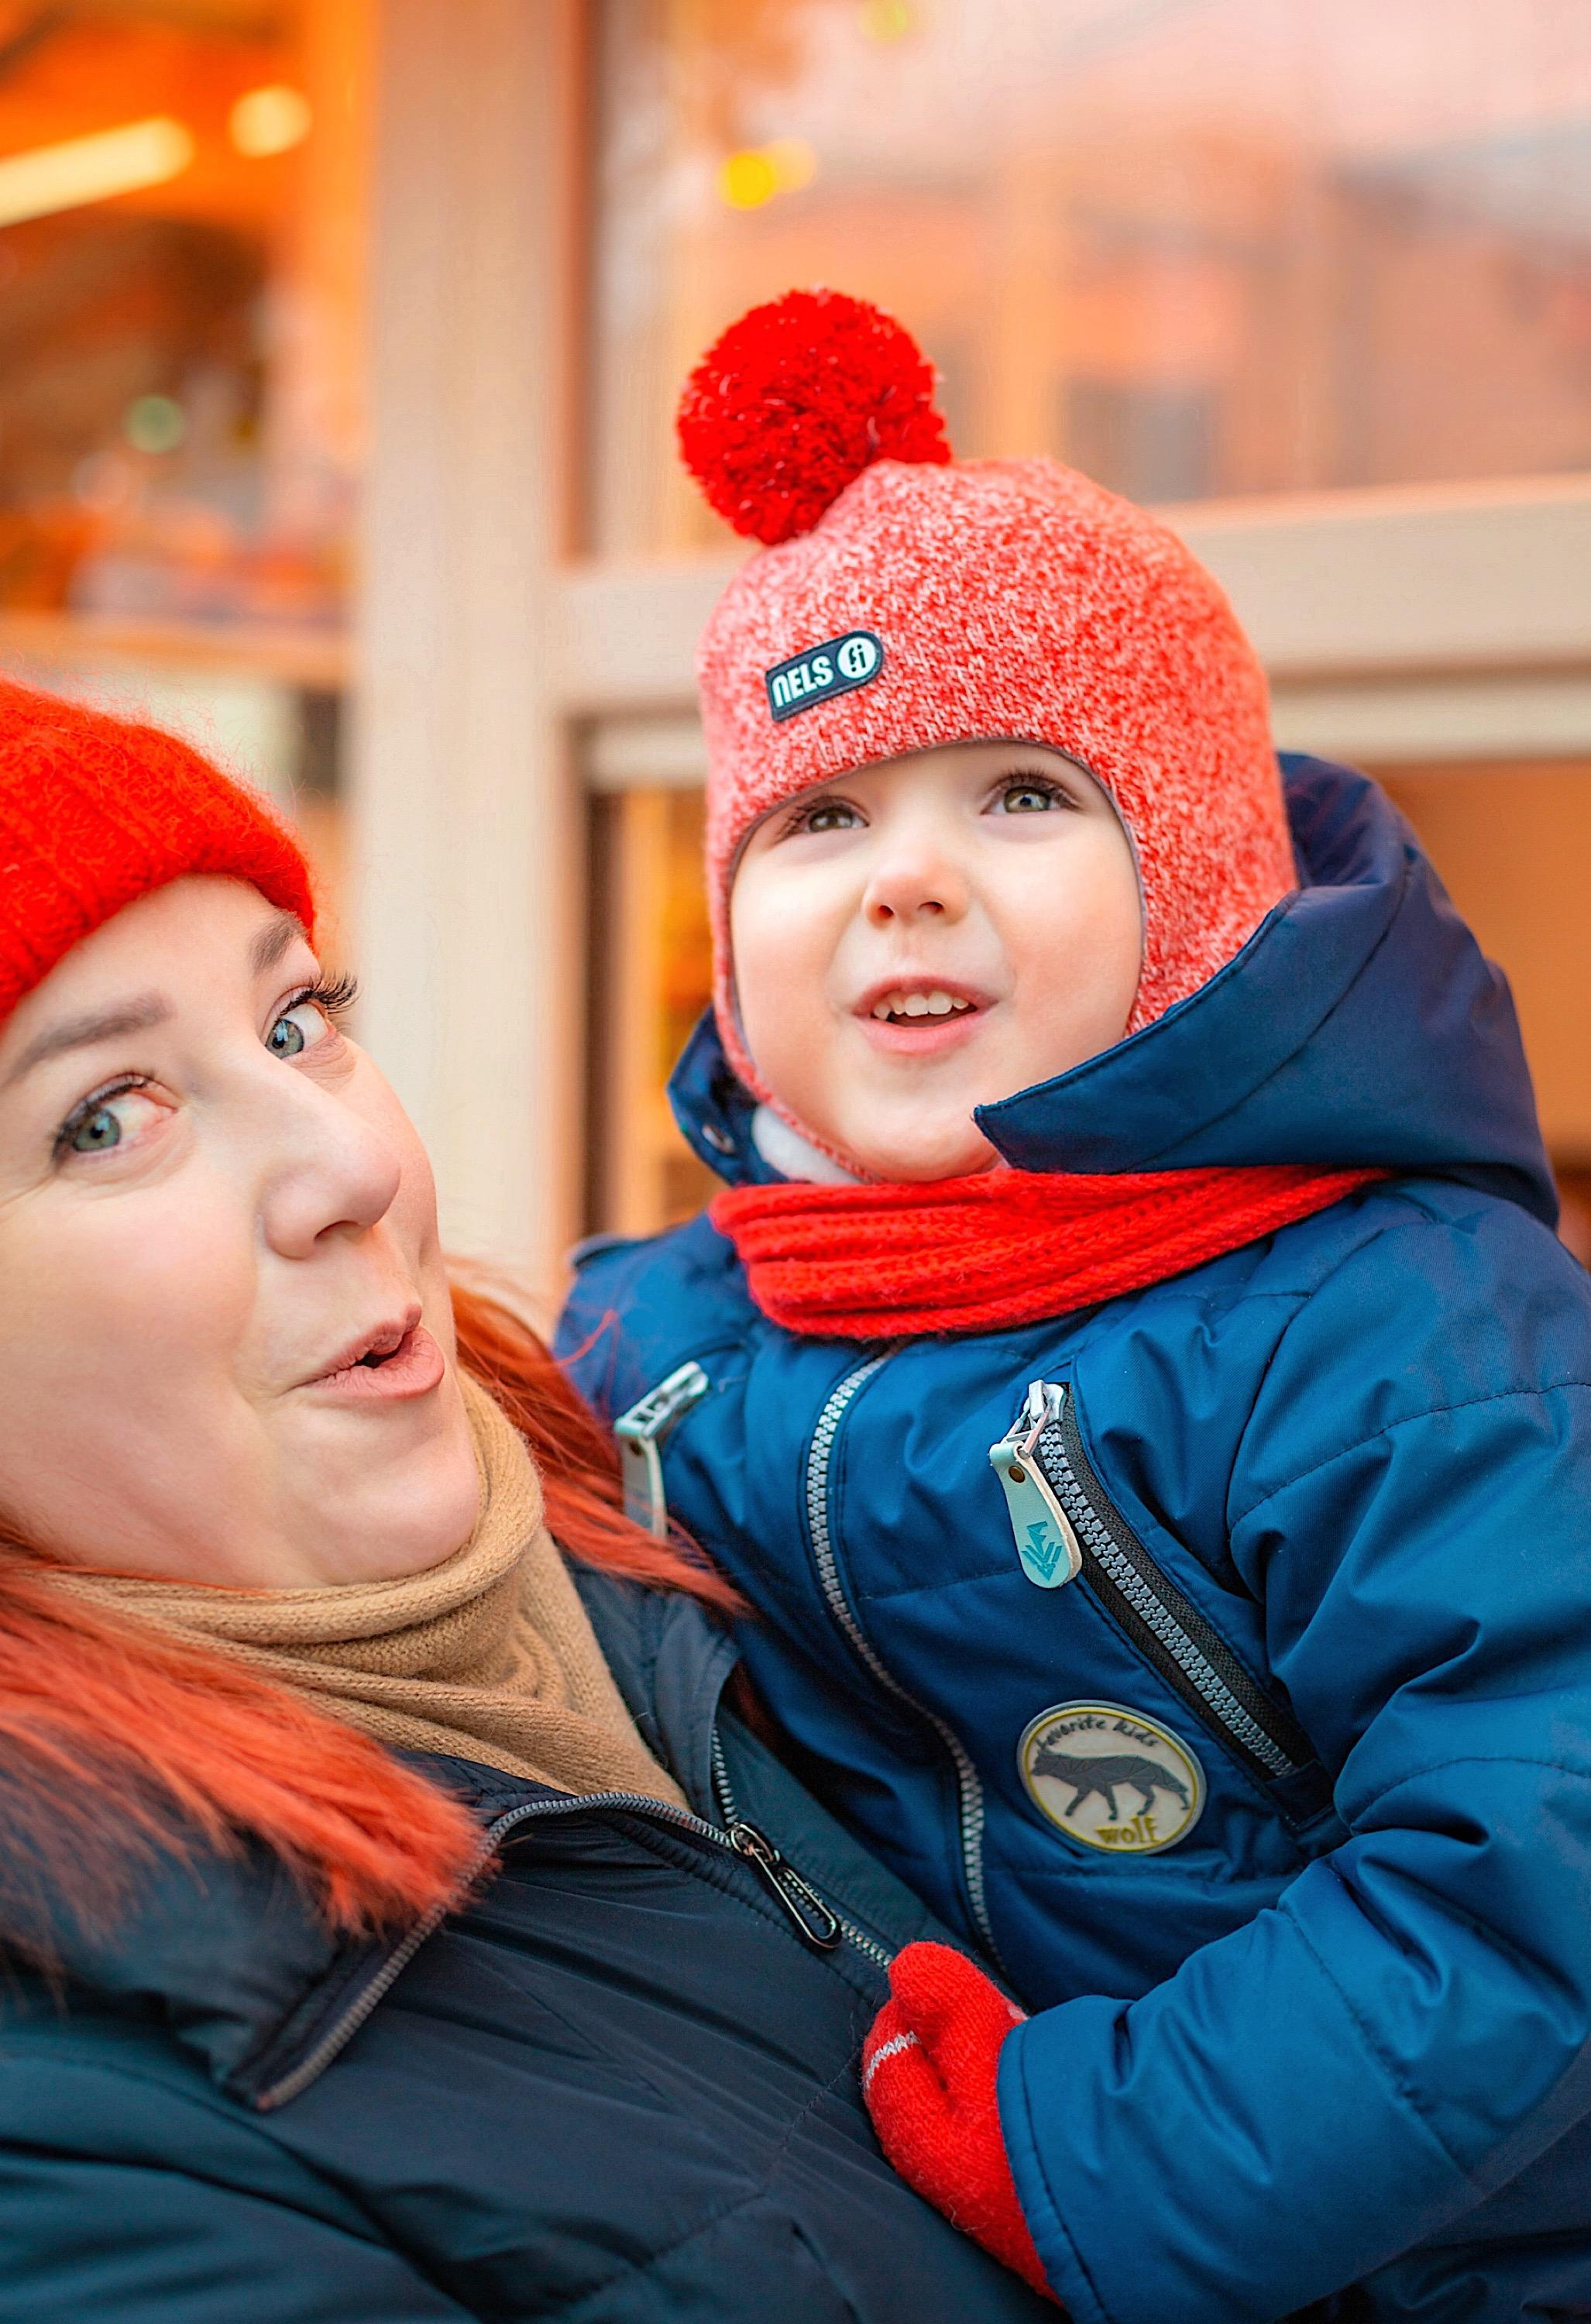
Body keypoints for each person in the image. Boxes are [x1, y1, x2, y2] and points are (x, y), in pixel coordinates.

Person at [558, 291, 1591, 2323]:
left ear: (1197, 889)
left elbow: (1528, 1857)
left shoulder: (1396, 1326)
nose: (903, 880)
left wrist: (1095, 2161)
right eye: (817, 820)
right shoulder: (651, 1341)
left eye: (1017, 795)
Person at [0, 676, 1054, 2324]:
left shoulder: (702, 1477)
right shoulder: (66, 2140)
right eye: (107, 1119)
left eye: (297, 1022)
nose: (350, 1168)